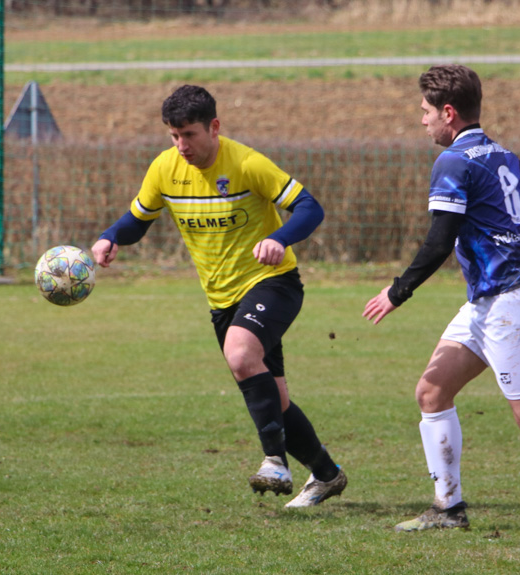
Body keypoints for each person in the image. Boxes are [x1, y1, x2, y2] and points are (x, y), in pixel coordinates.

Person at [91, 84, 347, 508]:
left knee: (241, 355)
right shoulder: (165, 169)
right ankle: (326, 474)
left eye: (189, 135)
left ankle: (275, 462)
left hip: (273, 283)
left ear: (214, 127)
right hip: (221, 300)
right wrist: (111, 236)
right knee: (275, 400)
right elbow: (139, 218)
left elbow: (309, 208)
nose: (181, 145)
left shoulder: (247, 163)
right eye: (173, 136)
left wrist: (280, 239)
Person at [363, 64, 520, 532]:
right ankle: (448, 509)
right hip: (492, 301)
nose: (422, 121)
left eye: (425, 112)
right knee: (432, 391)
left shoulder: (453, 161)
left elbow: (439, 239)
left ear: (447, 112)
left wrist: (398, 291)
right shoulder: (504, 154)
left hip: (508, 304)